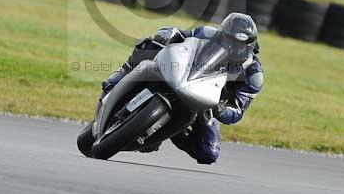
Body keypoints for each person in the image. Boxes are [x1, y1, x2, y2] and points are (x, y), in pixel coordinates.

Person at [100, 13, 264, 164]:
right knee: (152, 44)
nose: (234, 49)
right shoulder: (208, 33)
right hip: (182, 72)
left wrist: (221, 109)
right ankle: (119, 77)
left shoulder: (253, 74)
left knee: (208, 152)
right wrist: (167, 34)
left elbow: (237, 111)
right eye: (230, 42)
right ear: (222, 35)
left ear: (251, 45)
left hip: (205, 102)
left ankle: (165, 133)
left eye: (241, 46)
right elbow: (178, 33)